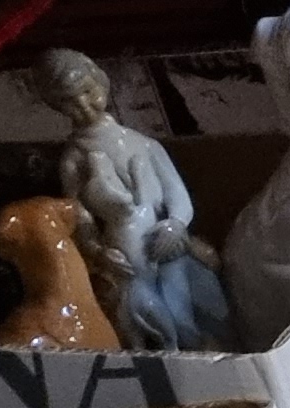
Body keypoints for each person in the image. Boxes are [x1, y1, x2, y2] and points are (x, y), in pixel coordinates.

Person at [37, 50, 230, 353]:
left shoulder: (143, 144)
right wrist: (98, 251)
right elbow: (79, 215)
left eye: (88, 92)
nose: (84, 106)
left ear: (101, 83)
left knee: (186, 309)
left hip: (165, 245)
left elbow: (176, 194)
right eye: (69, 101)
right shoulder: (74, 159)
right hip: (124, 256)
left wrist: (175, 225)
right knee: (144, 316)